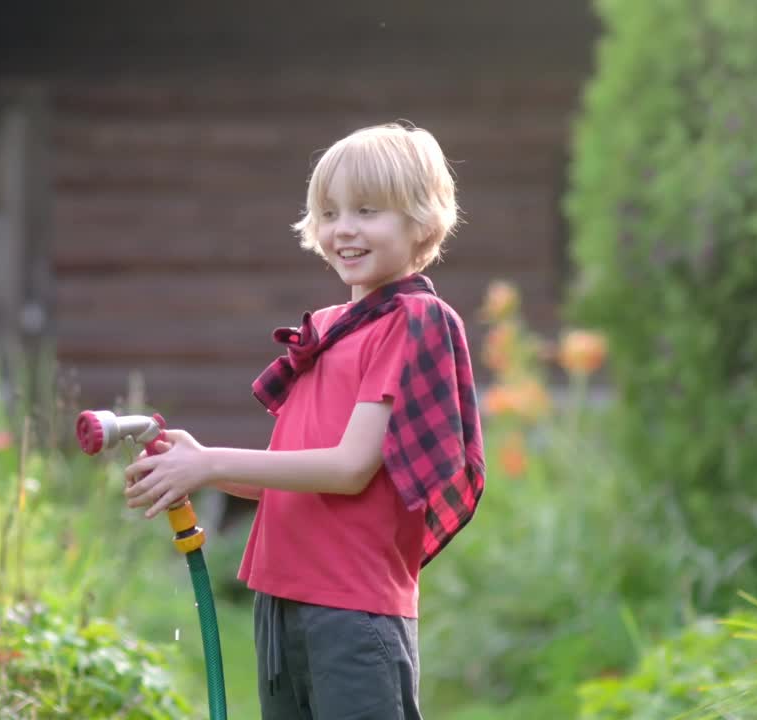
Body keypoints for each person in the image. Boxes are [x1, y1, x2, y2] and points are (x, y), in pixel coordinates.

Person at [123, 122, 486, 720]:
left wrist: (211, 462)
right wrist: (200, 466)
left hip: (352, 609)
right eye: (329, 211)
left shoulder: (414, 321)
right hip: (282, 597)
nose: (344, 228)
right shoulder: (330, 328)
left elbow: (347, 470)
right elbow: (297, 481)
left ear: (421, 220)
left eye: (367, 210)